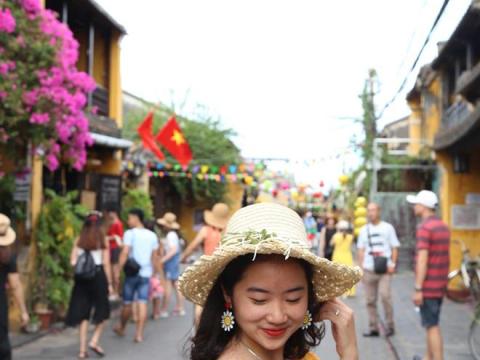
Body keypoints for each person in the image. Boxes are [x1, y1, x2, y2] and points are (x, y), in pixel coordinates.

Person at [179, 203, 362, 360]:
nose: (277, 317)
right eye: (259, 299)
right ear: (227, 293)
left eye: (293, 298)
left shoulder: (293, 353)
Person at [407, 191, 450, 360]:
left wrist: (418, 288)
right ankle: (427, 357)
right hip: (439, 284)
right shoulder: (442, 226)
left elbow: (422, 260)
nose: (414, 207)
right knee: (429, 323)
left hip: (428, 286)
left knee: (432, 326)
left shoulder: (425, 227)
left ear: (424, 206)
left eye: (416, 204)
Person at [66, 211, 112, 359]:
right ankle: (94, 340)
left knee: (83, 315)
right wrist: (110, 283)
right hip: (98, 277)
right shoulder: (102, 240)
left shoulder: (79, 239)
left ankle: (82, 350)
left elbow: (72, 261)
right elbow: (106, 263)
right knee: (103, 311)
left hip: (81, 280)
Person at [180, 203, 230, 325]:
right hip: (223, 270)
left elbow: (192, 246)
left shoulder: (206, 230)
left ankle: (198, 334)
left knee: (200, 303)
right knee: (221, 303)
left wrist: (183, 257)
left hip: (207, 269)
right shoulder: (227, 232)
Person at [114, 208, 160, 343]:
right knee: (143, 303)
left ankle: (122, 327)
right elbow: (155, 256)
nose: (128, 221)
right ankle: (139, 334)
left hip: (131, 274)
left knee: (127, 303)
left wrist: (117, 270)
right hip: (146, 274)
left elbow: (124, 252)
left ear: (136, 218)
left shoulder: (130, 233)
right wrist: (154, 273)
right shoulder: (152, 235)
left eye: (129, 218)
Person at [357, 202, 400, 337]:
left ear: (379, 211)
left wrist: (392, 264)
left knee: (385, 296)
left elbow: (394, 247)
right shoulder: (364, 230)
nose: (371, 213)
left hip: (385, 269)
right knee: (370, 300)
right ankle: (373, 327)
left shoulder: (388, 228)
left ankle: (390, 326)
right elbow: (361, 250)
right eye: (369, 211)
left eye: (373, 210)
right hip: (369, 269)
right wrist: (361, 268)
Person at [0, 214, 29, 360]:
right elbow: (15, 285)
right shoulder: (8, 257)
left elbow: (15, 285)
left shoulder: (8, 259)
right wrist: (23, 311)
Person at [156, 212, 185, 318]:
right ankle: (180, 307)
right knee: (176, 285)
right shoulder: (174, 235)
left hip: (171, 262)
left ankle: (163, 309)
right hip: (174, 262)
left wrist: (163, 260)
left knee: (168, 286)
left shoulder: (170, 235)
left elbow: (173, 250)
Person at [331, 220, 356, 297]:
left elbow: (331, 244)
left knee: (337, 274)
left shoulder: (335, 236)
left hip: (337, 255)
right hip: (347, 256)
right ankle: (350, 292)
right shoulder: (350, 237)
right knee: (348, 274)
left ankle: (338, 291)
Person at [106, 207, 124, 300]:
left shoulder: (118, 223)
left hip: (115, 248)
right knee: (110, 270)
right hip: (109, 248)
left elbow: (119, 237)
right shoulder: (111, 223)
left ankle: (116, 291)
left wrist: (108, 238)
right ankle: (112, 291)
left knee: (115, 271)